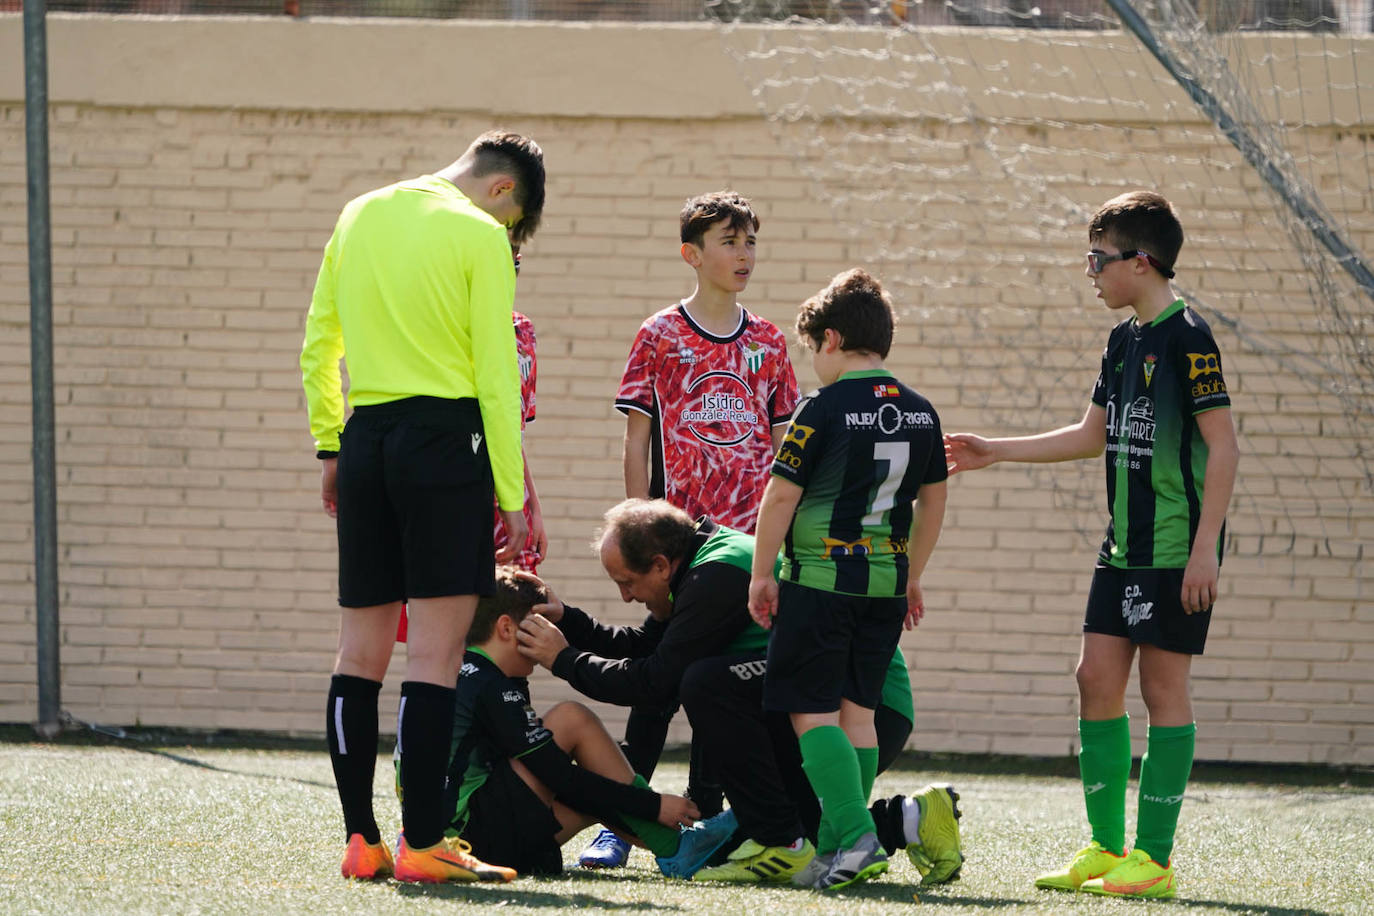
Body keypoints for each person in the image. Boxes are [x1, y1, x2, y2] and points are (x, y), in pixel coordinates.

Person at [945, 191, 1238, 900]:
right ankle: (1107, 848)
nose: (1091, 271)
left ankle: (1155, 860)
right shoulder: (1122, 340)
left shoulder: (1188, 337)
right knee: (1094, 680)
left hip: (1175, 550)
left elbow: (1224, 447)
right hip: (1123, 548)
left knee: (1162, 689)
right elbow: (1090, 434)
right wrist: (996, 450)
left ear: (1141, 262)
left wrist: (1205, 552)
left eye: (1099, 258)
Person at [299, 130, 545, 883]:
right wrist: (511, 491)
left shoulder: (359, 212)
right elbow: (496, 374)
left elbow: (319, 342)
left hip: (366, 437)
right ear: (505, 192)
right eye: (515, 227)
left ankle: (359, 841)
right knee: (435, 657)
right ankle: (424, 844)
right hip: (446, 443)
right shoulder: (479, 234)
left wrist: (331, 446)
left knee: (358, 654)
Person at [516, 498, 962, 885]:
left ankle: (776, 838)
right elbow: (645, 646)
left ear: (659, 565)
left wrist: (563, 659)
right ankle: (916, 818)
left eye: (627, 583)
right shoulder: (696, 563)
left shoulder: (714, 578)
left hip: (861, 712)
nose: (626, 597)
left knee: (706, 682)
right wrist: (568, 621)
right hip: (839, 707)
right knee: (779, 839)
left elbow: (652, 681)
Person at [588, 190, 800, 867]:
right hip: (681, 554)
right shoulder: (660, 335)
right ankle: (623, 819)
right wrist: (638, 527)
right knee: (656, 682)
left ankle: (707, 817)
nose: (744, 255)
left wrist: (779, 546)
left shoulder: (768, 341)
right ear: (692, 253)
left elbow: (786, 452)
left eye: (751, 242)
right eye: (729, 241)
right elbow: (635, 440)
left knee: (717, 685)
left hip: (744, 556)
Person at [750, 268, 949, 890]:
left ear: (831, 340)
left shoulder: (822, 407)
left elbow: (781, 497)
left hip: (820, 584)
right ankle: (839, 848)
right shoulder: (921, 412)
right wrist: (912, 576)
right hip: (885, 589)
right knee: (858, 714)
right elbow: (933, 503)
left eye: (812, 351)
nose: (814, 364)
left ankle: (858, 835)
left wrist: (762, 573)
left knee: (811, 714)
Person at [435, 566, 699, 876]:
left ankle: (677, 846)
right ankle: (679, 847)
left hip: (461, 837)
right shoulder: (491, 686)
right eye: (537, 626)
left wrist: (642, 810)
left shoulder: (465, 669)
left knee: (594, 793)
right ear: (507, 628)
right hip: (472, 845)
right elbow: (559, 777)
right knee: (571, 719)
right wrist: (653, 806)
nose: (549, 637)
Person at [394, 240, 545, 643]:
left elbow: (513, 430)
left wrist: (532, 505)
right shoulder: (444, 334)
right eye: (499, 259)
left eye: (515, 260)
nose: (509, 269)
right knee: (449, 632)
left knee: (512, 627)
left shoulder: (522, 331)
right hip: (454, 490)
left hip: (508, 499)